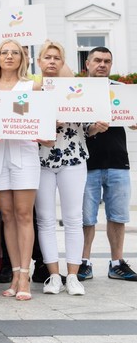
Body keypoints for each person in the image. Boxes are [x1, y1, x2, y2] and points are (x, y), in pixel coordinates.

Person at [36, 41, 102, 296]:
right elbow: (22, 125)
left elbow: (87, 127)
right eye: (47, 57)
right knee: (45, 220)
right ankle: (53, 275)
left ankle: (73, 275)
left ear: (63, 62)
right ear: (39, 62)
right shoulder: (31, 90)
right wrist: (46, 125)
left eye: (56, 57)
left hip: (73, 157)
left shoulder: (76, 90)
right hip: (40, 160)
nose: (52, 61)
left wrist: (96, 127)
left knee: (74, 218)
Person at [0, 39, 42, 301]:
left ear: (22, 58)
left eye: (15, 53)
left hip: (25, 154)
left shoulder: (32, 86)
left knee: (24, 214)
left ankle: (25, 275)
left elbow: (41, 118)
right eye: (4, 52)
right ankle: (15, 273)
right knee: (6, 215)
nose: (9, 56)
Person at [80, 46, 137, 281]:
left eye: (107, 61)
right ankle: (83, 262)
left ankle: (117, 263)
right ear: (87, 64)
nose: (102, 65)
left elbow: (133, 119)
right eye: (97, 60)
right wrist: (92, 129)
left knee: (118, 216)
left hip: (117, 161)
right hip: (86, 162)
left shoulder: (122, 90)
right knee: (86, 217)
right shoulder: (77, 91)